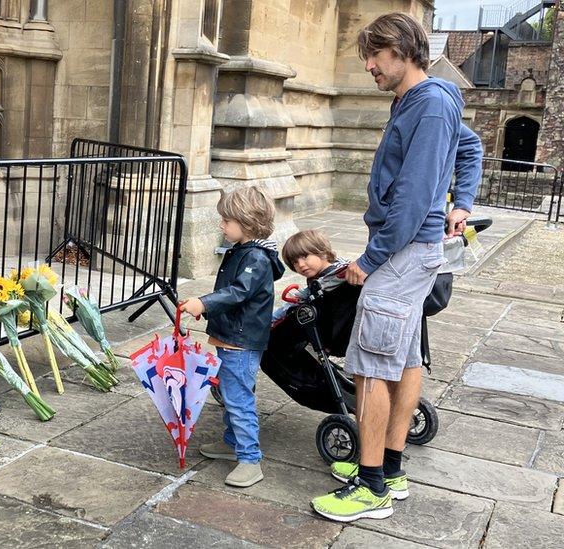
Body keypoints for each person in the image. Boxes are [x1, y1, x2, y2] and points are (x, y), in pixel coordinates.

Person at [310, 13, 482, 522]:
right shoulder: (427, 101)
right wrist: (462, 202)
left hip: (402, 251)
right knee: (403, 359)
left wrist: (369, 259)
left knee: (367, 367)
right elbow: (469, 147)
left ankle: (370, 487)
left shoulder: (428, 105)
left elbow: (408, 199)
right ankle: (391, 465)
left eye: (376, 55)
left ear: (405, 50)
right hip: (414, 249)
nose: (369, 65)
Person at [179, 186, 285, 488]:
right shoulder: (245, 251)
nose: (221, 225)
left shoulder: (256, 257)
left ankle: (250, 459)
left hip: (241, 342)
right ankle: (231, 442)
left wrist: (205, 303)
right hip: (233, 337)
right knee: (230, 394)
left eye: (226, 220)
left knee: (239, 400)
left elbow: (238, 292)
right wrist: (207, 307)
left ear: (247, 222)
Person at [272, 229, 349, 324]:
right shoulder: (329, 273)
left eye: (304, 256)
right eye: (295, 262)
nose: (300, 264)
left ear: (323, 253)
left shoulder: (330, 280)